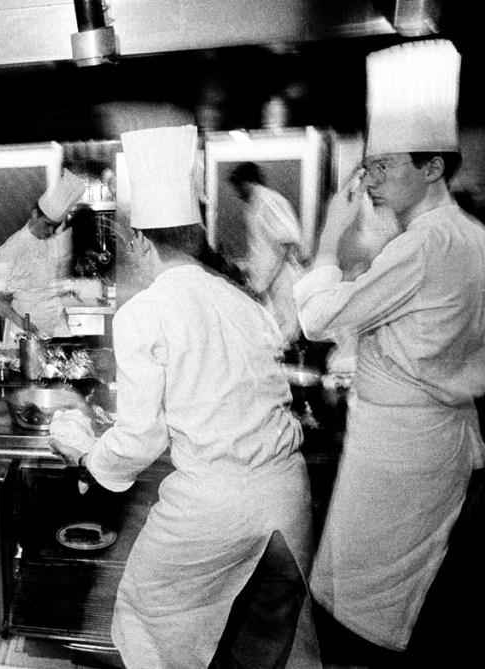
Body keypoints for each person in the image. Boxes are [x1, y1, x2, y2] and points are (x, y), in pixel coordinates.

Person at [50, 125, 321, 669]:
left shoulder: (145, 311)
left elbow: (141, 436)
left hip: (212, 505)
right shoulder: (243, 299)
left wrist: (83, 453)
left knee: (148, 624)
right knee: (269, 634)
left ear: (139, 241)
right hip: (287, 494)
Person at [293, 39, 485, 662]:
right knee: (403, 593)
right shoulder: (472, 236)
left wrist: (328, 236)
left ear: (433, 168)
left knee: (362, 605)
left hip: (401, 450)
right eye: (368, 167)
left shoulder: (425, 243)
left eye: (384, 166)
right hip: (440, 438)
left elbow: (319, 317)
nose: (370, 182)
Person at [0, 168, 86, 342]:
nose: (51, 231)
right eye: (47, 224)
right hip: (24, 330)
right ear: (35, 214)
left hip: (57, 325)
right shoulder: (11, 249)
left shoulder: (54, 241)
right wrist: (25, 325)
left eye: (55, 227)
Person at [229, 161, 307, 343]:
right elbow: (261, 249)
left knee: (286, 334)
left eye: (238, 187)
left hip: (282, 279)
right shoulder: (254, 204)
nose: (238, 193)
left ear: (246, 182)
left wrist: (266, 280)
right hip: (269, 284)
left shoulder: (268, 200)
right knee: (273, 335)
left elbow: (288, 241)